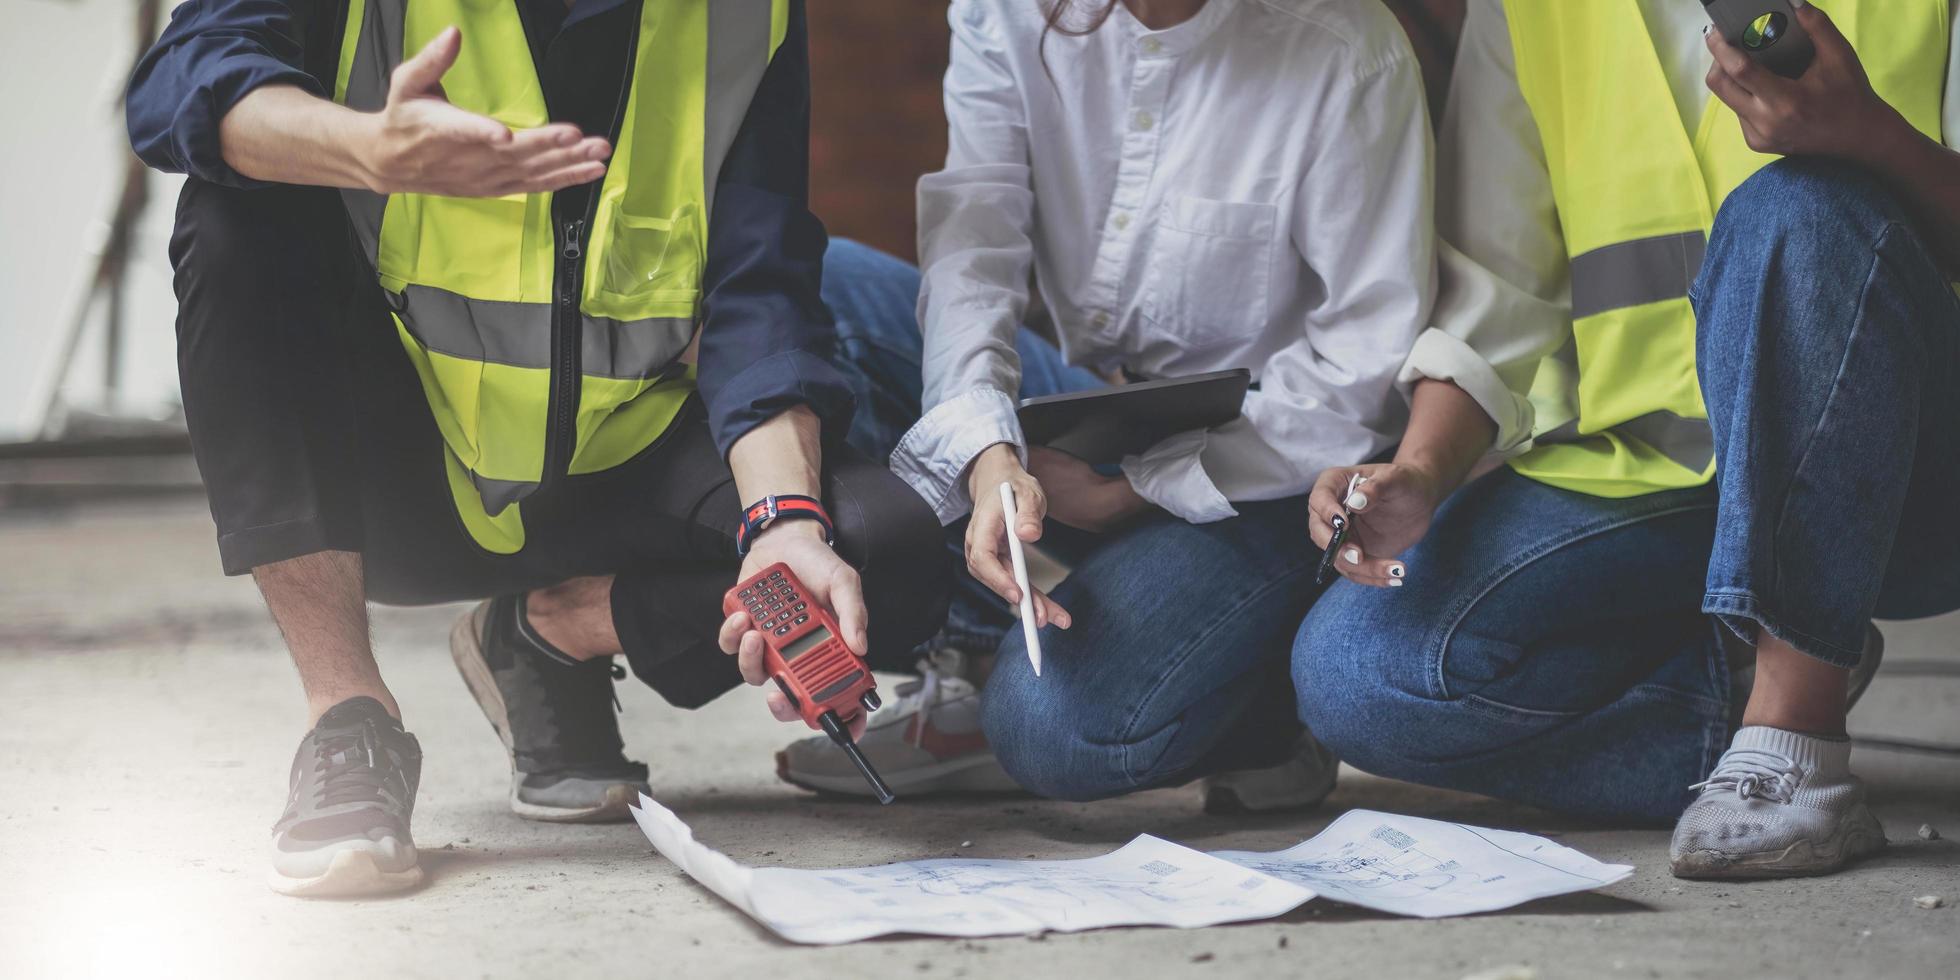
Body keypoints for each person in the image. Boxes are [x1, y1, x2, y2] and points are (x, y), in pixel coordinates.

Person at [126, 0, 950, 897]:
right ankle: (348, 718)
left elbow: (761, 285)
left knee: (882, 562)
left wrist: (784, 523)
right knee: (230, 214)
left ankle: (551, 632)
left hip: (619, 458)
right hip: (400, 483)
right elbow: (177, 82)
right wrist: (359, 147)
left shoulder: (744, 13)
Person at [1292, 0, 1959, 878]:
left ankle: (1794, 744)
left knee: (1794, 202)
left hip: (1908, 473)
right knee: (1357, 676)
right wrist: (1419, 469)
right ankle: (1742, 683)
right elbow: (1499, 306)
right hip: (1660, 477)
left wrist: (1871, 137)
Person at [772, 0, 1436, 809]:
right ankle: (985, 653)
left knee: (1053, 734)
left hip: (1268, 472)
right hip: (1094, 415)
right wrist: (991, 458)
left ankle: (1259, 699)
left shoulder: (1346, 52)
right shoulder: (1008, 15)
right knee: (826, 285)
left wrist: (1135, 491)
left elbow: (1359, 370)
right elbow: (973, 256)